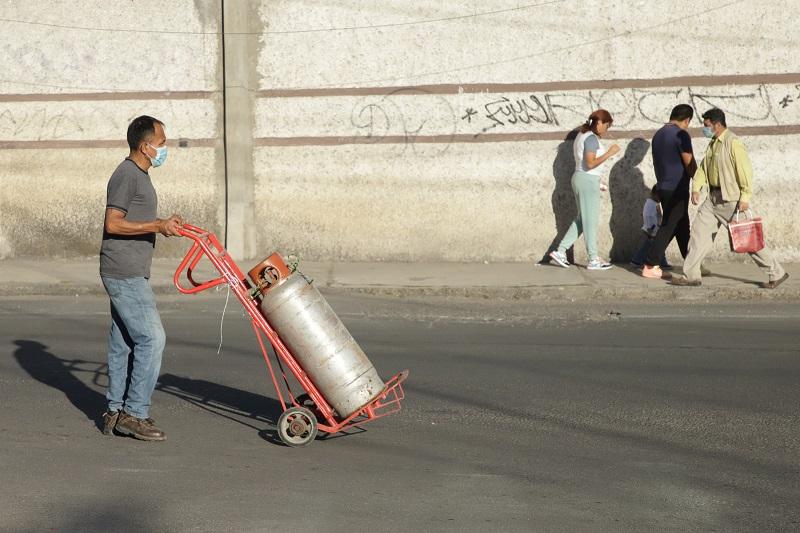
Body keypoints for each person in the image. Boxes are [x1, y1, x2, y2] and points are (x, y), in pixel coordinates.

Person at [99, 116, 184, 441]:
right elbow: (113, 224)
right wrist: (156, 226)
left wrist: (165, 224)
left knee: (122, 344)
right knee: (152, 339)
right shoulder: (126, 176)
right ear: (145, 145)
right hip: (124, 271)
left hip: (127, 268)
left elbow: (139, 219)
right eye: (161, 143)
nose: (165, 148)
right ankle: (135, 413)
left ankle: (115, 410)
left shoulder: (139, 176)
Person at [670, 108, 788, 288]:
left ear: (717, 124)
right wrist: (696, 188)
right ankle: (691, 275)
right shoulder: (713, 144)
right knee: (698, 234)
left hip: (730, 200)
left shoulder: (733, 143)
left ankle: (776, 272)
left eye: (707, 125)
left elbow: (745, 171)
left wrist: (745, 197)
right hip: (712, 199)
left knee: (747, 239)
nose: (705, 129)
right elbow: (703, 168)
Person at [549, 109, 620, 270]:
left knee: (582, 220)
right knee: (590, 222)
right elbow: (589, 163)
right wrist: (610, 153)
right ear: (599, 122)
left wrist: (597, 181)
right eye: (607, 126)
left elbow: (586, 165)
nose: (606, 130)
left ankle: (560, 251)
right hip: (586, 180)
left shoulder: (582, 136)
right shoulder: (591, 138)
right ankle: (593, 259)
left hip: (584, 179)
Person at [641, 104, 696, 280]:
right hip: (677, 187)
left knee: (682, 226)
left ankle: (692, 262)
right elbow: (688, 161)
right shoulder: (681, 134)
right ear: (687, 120)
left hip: (664, 186)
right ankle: (650, 263)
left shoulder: (659, 135)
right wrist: (700, 178)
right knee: (670, 224)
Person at [630, 186, 672, 269]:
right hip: (653, 229)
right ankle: (637, 261)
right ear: (655, 195)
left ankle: (638, 261)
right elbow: (654, 216)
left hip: (651, 228)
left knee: (655, 246)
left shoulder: (649, 203)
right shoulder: (654, 204)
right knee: (654, 246)